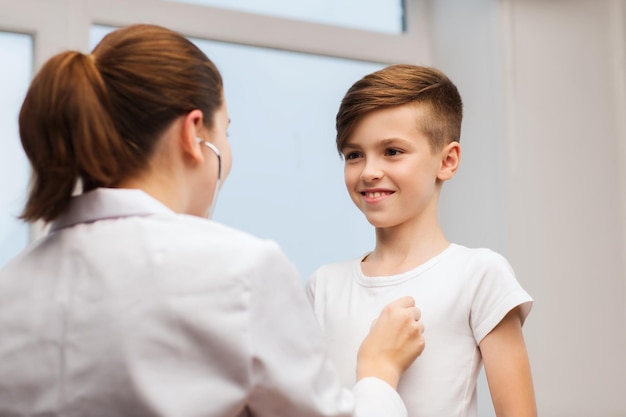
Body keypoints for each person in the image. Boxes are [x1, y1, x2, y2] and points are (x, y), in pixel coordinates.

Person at [0, 25, 426, 417]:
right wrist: (378, 372)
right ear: (193, 133)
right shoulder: (239, 270)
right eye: (226, 130)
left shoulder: (12, 286)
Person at [306, 64, 536, 417]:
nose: (369, 171)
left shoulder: (478, 275)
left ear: (447, 160)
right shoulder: (323, 286)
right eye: (354, 155)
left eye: (392, 151)